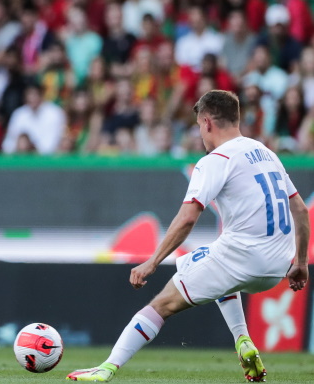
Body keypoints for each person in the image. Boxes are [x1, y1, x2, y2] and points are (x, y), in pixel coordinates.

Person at [66, 90, 309, 382]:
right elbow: (300, 210)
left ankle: (105, 369)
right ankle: (243, 340)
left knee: (160, 305)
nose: (200, 134)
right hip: (278, 268)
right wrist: (302, 262)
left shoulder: (214, 160)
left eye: (198, 126)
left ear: (207, 123)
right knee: (195, 261)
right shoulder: (267, 153)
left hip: (242, 258)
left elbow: (187, 218)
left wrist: (152, 261)